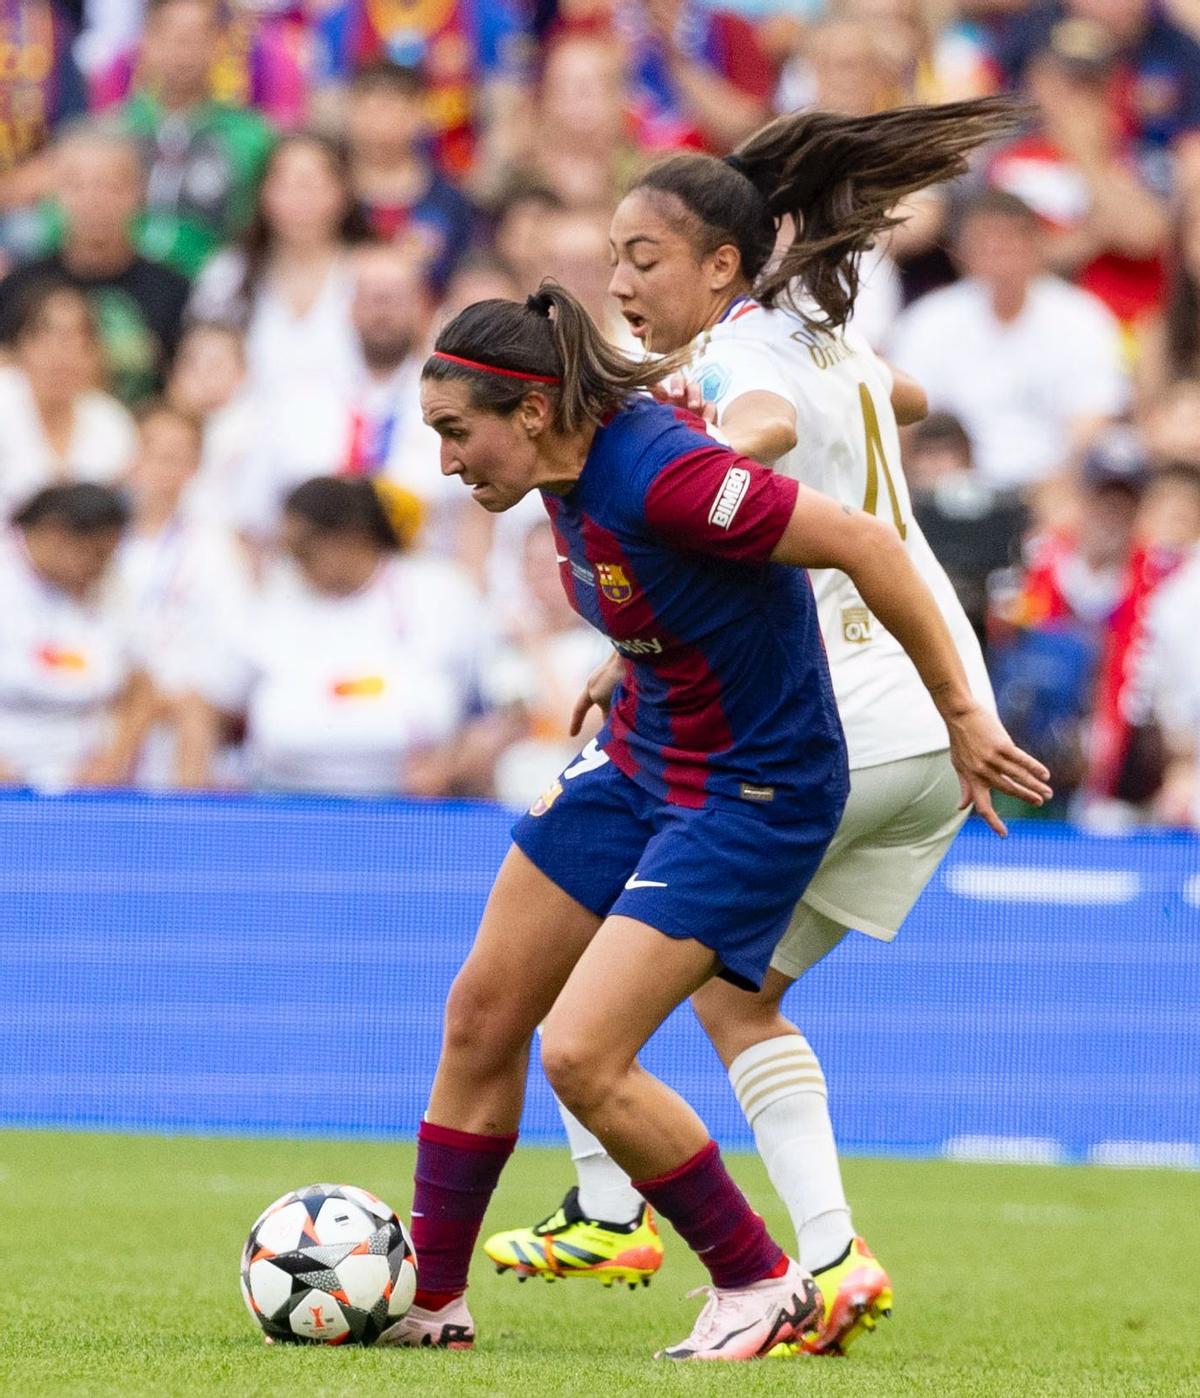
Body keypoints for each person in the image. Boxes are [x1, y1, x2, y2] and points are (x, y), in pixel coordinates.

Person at [389, 278, 1049, 1358]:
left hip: (753, 788)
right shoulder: (557, 469)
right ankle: (432, 1301)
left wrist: (961, 713)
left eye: (457, 434)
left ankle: (760, 1285)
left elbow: (866, 544)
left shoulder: (668, 472)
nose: (447, 461)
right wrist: (625, 655)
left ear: (533, 411)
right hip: (645, 756)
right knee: (481, 1014)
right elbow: (667, 582)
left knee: (584, 1055)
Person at [182, 476, 479, 793]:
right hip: (280, 800)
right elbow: (204, 700)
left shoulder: (439, 593)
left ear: (351, 537)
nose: (293, 563)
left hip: (415, 805)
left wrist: (450, 766)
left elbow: (498, 710)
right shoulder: (274, 603)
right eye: (288, 551)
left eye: (303, 549)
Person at [888, 189, 1128, 490]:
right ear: (962, 250)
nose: (997, 251)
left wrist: (1058, 484)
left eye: (1008, 240)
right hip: (950, 485)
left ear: (1036, 244)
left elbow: (1095, 417)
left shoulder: (1082, 318)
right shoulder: (930, 319)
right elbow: (904, 419)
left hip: (1052, 486)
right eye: (984, 241)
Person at [0, 125, 192, 406]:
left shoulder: (174, 292)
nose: (94, 200)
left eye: (111, 186)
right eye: (77, 185)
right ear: (55, 192)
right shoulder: (18, 289)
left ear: (139, 192)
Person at [114, 400, 249, 785]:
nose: (163, 467)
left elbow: (234, 642)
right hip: (110, 703)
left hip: (181, 709)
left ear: (195, 467)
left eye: (177, 457)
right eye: (153, 452)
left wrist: (176, 691)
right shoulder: (99, 538)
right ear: (133, 457)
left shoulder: (214, 546)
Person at [187, 130, 370, 398]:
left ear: (344, 192)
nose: (298, 199)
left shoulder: (373, 274)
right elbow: (198, 375)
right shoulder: (227, 274)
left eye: (310, 185)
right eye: (284, 185)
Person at [0, 483, 155, 790]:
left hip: (83, 776)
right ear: (55, 534)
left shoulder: (113, 588)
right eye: (95, 555)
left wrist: (114, 761)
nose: (101, 568)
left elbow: (140, 689)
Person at [113, 0, 276, 279]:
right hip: (123, 284)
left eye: (196, 39)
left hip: (215, 283)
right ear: (146, 43)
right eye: (171, 38)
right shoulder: (112, 133)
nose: (183, 53)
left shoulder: (251, 137)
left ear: (218, 45)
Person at [0, 280, 136, 518]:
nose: (62, 353)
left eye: (77, 339)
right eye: (47, 335)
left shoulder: (113, 422)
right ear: (21, 345)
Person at [346, 61, 476, 296]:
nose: (381, 120)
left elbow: (465, 277)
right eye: (370, 106)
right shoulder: (332, 195)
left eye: (392, 106)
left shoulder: (449, 201)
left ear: (419, 114)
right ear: (350, 112)